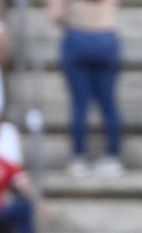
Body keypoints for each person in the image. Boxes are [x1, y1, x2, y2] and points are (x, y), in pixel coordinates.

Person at [50, 0, 123, 176]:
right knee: (108, 104)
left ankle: (79, 157)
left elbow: (56, 14)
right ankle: (113, 156)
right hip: (106, 37)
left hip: (78, 37)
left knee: (79, 104)